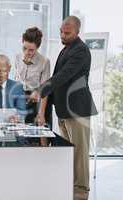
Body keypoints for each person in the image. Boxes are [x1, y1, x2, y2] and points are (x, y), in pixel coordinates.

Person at [29, 16, 98, 200]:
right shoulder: (65, 50)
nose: (63, 34)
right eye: (61, 31)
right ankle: (69, 186)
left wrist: (40, 90)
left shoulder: (81, 51)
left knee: (79, 153)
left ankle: (81, 190)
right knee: (68, 152)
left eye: (67, 33)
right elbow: (57, 78)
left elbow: (63, 76)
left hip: (78, 110)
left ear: (77, 32)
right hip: (64, 110)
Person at [14, 27, 51, 127]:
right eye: (24, 48)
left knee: (38, 137)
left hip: (38, 101)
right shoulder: (17, 58)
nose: (27, 52)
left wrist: (41, 113)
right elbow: (17, 80)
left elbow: (45, 90)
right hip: (22, 99)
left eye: (31, 50)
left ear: (37, 47)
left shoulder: (44, 62)